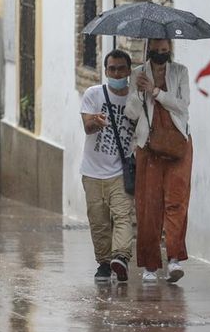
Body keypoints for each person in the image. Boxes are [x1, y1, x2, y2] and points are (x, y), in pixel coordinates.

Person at [124, 38, 193, 283]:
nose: (161, 54)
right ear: (149, 49)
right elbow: (131, 113)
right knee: (148, 204)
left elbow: (183, 106)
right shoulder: (138, 74)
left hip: (177, 143)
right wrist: (139, 94)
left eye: (165, 50)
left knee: (176, 201)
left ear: (170, 49)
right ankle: (150, 265)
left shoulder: (180, 72)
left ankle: (174, 259)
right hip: (148, 145)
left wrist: (156, 92)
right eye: (156, 50)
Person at [80, 50, 136, 282]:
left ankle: (121, 258)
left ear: (129, 70)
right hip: (92, 172)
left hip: (120, 171)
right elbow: (87, 127)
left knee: (123, 216)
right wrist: (96, 121)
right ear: (105, 71)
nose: (116, 74)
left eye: (121, 69)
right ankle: (104, 264)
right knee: (99, 221)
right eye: (112, 69)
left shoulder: (136, 98)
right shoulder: (93, 94)